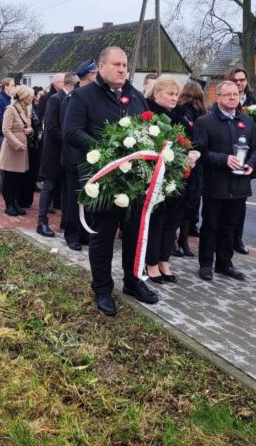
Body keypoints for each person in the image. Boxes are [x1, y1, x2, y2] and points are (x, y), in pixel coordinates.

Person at [64, 46, 158, 316]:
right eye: (116, 64)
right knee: (103, 237)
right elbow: (71, 132)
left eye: (125, 65)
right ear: (101, 67)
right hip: (103, 180)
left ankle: (132, 280)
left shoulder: (135, 96)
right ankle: (102, 288)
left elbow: (148, 130)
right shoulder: (83, 96)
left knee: (134, 234)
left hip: (134, 180)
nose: (122, 69)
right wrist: (106, 152)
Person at [195, 80, 256, 281]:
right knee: (210, 226)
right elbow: (199, 152)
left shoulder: (247, 122)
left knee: (230, 226)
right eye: (227, 94)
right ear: (218, 97)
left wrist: (251, 163)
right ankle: (206, 264)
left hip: (239, 184)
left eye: (236, 94)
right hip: (215, 183)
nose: (233, 98)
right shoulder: (205, 122)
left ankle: (225, 264)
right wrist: (223, 159)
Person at [144, 76, 201, 283]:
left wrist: (194, 154)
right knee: (157, 222)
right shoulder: (150, 115)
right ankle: (151, 262)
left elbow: (193, 142)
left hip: (179, 178)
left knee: (172, 222)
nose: (174, 98)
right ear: (156, 93)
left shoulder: (180, 117)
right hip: (158, 178)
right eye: (170, 93)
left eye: (176, 94)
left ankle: (163, 260)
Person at [60, 59, 97, 251]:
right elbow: (68, 132)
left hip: (89, 157)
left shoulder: (91, 97)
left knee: (88, 197)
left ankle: (84, 234)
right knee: (74, 200)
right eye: (96, 73)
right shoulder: (72, 99)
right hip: (74, 158)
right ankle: (72, 235)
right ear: (90, 76)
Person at [37, 72, 77, 237]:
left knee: (65, 188)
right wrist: (69, 138)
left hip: (67, 152)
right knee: (49, 186)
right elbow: (52, 126)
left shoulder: (73, 99)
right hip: (54, 151)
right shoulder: (55, 99)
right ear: (71, 84)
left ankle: (65, 221)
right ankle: (42, 222)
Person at [225, 66, 256, 254]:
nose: (239, 83)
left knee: (240, 205)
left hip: (245, 161)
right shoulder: (224, 98)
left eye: (242, 80)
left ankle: (237, 239)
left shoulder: (254, 102)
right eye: (235, 80)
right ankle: (222, 240)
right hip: (227, 159)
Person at [174, 80, 207, 256]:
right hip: (196, 163)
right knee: (189, 205)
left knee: (178, 204)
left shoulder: (179, 112)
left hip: (183, 160)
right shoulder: (202, 114)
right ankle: (183, 241)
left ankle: (174, 241)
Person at [0, 85, 34, 216]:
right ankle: (9, 204)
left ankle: (15, 202)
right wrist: (17, 144)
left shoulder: (26, 109)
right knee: (9, 178)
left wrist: (30, 130)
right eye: (30, 96)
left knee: (18, 178)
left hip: (22, 150)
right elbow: (6, 130)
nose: (32, 98)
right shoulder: (11, 109)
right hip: (12, 149)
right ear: (24, 97)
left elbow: (28, 126)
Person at [0, 78, 15, 154]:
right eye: (12, 85)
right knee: (4, 158)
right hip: (1, 135)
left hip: (9, 134)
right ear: (6, 87)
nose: (14, 87)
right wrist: (11, 124)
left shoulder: (11, 99)